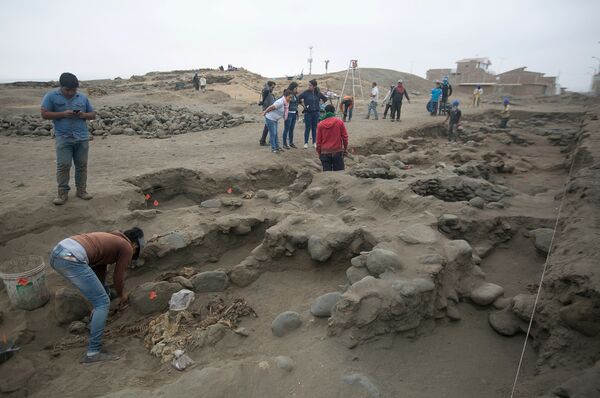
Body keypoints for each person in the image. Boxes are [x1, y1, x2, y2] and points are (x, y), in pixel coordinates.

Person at [49, 227, 145, 363]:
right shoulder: (126, 246)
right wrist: (122, 295)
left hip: (58, 252)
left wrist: (105, 291)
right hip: (71, 257)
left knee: (101, 297)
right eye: (136, 249)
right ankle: (93, 352)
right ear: (135, 244)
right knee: (102, 302)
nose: (133, 253)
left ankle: (92, 325)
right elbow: (119, 277)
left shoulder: (111, 239)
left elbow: (98, 268)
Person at [41, 72, 96, 206]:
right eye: (68, 90)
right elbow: (44, 114)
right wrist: (63, 114)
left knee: (82, 165)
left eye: (74, 90)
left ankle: (81, 191)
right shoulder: (51, 96)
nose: (71, 92)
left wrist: (83, 115)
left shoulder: (82, 97)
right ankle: (62, 193)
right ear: (61, 86)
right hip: (63, 137)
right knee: (63, 165)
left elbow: (93, 114)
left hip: (82, 137)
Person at [316, 104, 348, 171]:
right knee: (340, 174)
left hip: (325, 152)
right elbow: (345, 137)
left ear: (325, 112)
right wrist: (345, 149)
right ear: (333, 112)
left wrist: (319, 153)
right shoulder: (339, 122)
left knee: (327, 175)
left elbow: (318, 141)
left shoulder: (320, 124)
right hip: (337, 151)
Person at [298, 79, 327, 149]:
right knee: (307, 128)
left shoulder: (318, 93)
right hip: (308, 113)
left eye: (310, 85)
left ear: (314, 86)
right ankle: (306, 143)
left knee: (314, 128)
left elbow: (325, 99)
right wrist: (303, 105)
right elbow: (298, 98)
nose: (309, 86)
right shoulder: (305, 93)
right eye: (308, 85)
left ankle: (314, 142)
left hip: (316, 113)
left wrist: (319, 104)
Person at [263, 89, 293, 153]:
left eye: (291, 97)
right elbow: (271, 107)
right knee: (273, 133)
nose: (290, 99)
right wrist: (265, 112)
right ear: (285, 96)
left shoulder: (286, 103)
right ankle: (273, 148)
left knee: (275, 133)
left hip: (275, 119)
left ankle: (277, 147)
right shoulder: (280, 102)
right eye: (289, 97)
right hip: (270, 118)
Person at [282, 82, 299, 149]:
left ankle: (291, 143)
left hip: (294, 113)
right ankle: (284, 144)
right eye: (296, 88)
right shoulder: (287, 94)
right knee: (286, 129)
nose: (297, 89)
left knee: (291, 129)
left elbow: (296, 104)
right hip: (288, 113)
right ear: (293, 88)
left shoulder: (294, 95)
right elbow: (282, 100)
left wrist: (296, 113)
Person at [259, 81, 276, 146]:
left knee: (267, 126)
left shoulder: (270, 93)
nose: (273, 89)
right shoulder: (266, 91)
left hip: (269, 110)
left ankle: (264, 140)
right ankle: (263, 140)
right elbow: (266, 89)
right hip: (267, 110)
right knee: (268, 126)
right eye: (272, 87)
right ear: (269, 86)